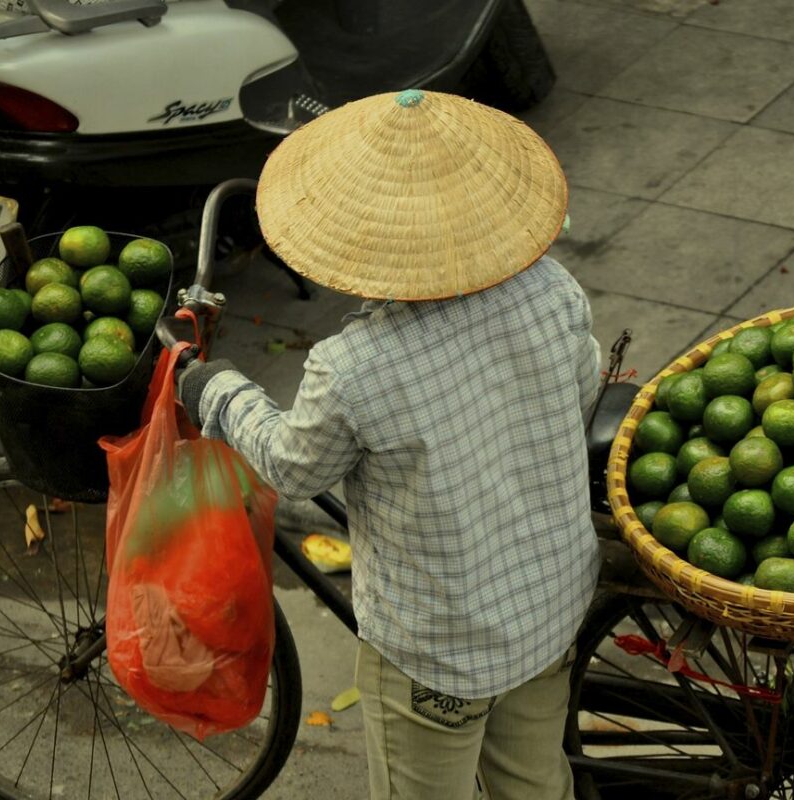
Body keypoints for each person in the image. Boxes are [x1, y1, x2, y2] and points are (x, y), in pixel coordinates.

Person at [178, 88, 601, 800]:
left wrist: (216, 392)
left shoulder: (356, 367)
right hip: (550, 608)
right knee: (534, 786)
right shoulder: (552, 291)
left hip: (440, 650)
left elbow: (291, 464)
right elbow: (581, 390)